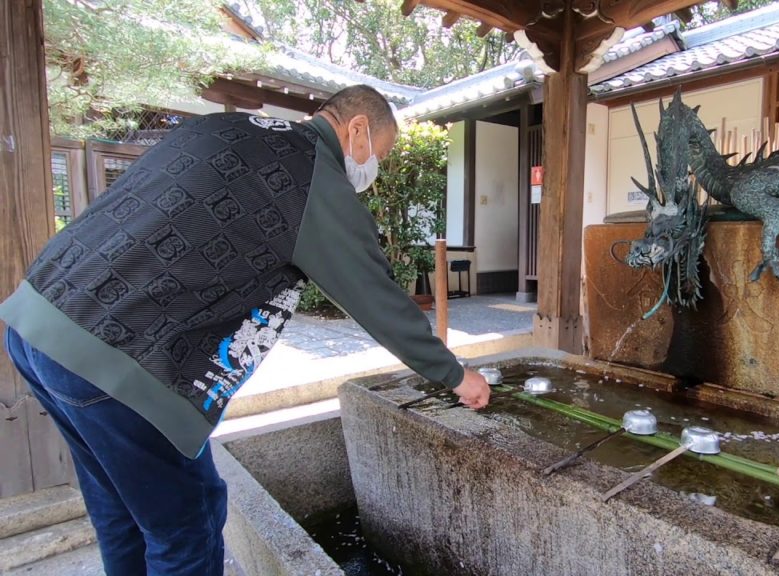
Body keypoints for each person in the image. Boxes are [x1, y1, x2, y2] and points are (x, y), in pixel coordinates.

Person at [0, 84, 490, 576]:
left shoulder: (222, 126)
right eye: (376, 155)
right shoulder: (314, 174)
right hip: (119, 359)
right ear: (357, 128)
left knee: (121, 506)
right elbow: (378, 299)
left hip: (38, 322)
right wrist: (454, 375)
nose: (369, 170)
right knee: (188, 523)